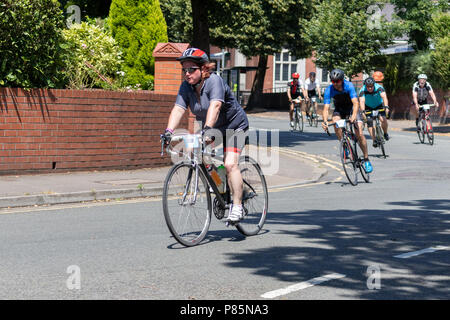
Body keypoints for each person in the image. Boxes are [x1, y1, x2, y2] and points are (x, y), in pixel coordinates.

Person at [161, 48, 249, 222]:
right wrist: (168, 132)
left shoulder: (214, 81)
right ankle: (220, 182)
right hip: (213, 127)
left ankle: (237, 205)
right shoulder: (186, 87)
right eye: (184, 70)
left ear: (204, 69)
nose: (187, 74)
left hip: (234, 126)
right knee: (196, 153)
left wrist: (208, 129)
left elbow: (215, 106)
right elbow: (179, 109)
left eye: (191, 69)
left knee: (230, 164)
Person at [321, 69, 373, 173]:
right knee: (335, 122)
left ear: (342, 80)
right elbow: (326, 108)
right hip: (339, 110)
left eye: (337, 81)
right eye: (333, 81)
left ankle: (366, 159)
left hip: (352, 109)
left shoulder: (348, 86)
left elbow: (356, 103)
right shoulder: (329, 90)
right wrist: (325, 121)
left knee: (359, 134)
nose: (335, 84)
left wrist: (354, 116)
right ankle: (344, 143)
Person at [359, 77, 390, 147]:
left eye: (371, 86)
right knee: (369, 122)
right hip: (368, 106)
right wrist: (363, 111)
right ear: (365, 86)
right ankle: (374, 140)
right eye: (368, 87)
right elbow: (362, 101)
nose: (370, 88)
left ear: (374, 84)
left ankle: (385, 133)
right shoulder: (362, 90)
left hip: (379, 105)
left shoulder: (379, 87)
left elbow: (384, 97)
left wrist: (386, 107)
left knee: (383, 119)